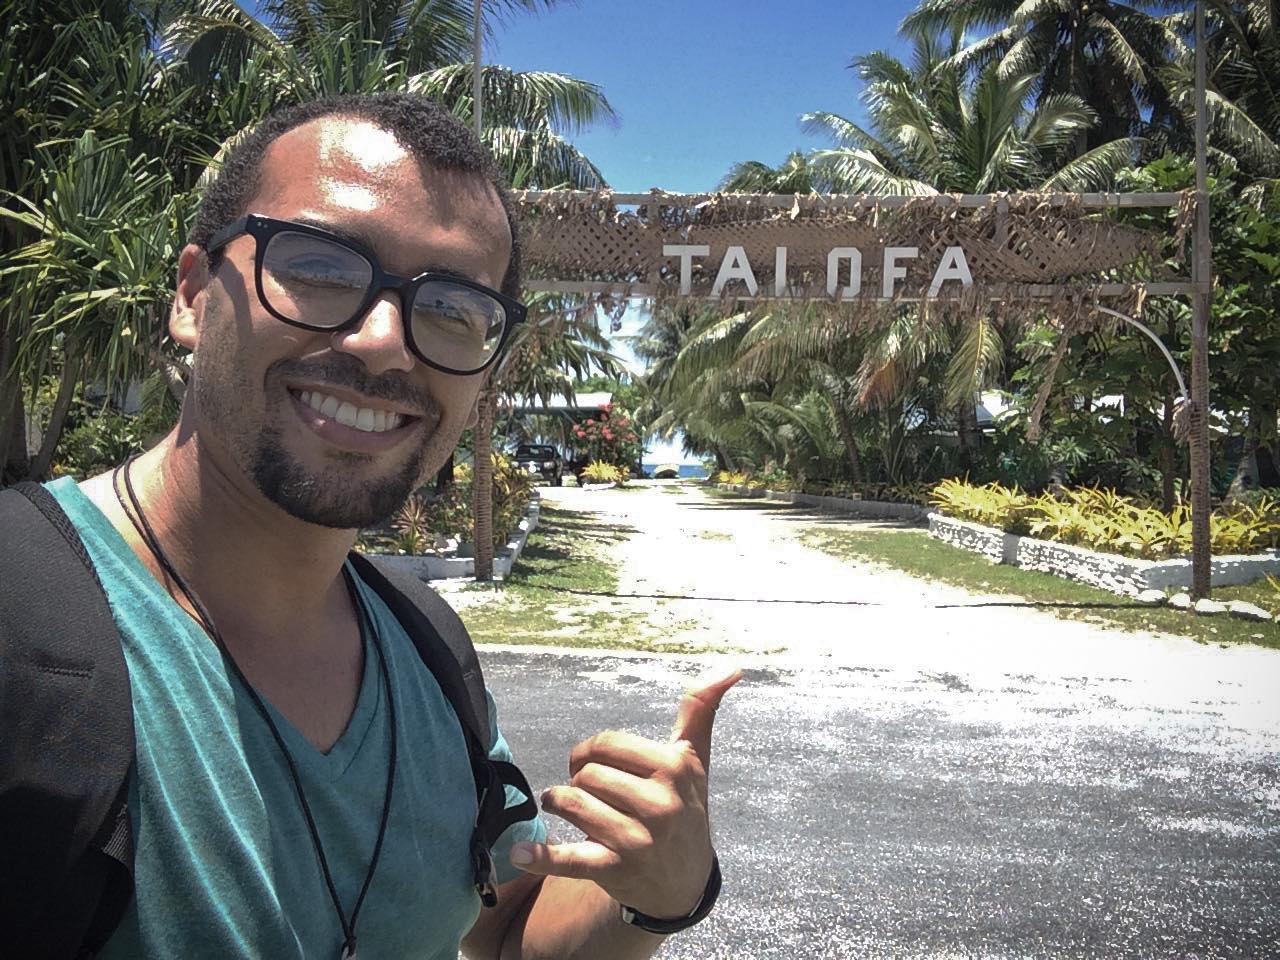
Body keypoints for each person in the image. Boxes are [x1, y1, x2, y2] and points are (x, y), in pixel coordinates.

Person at [9, 92, 740, 958]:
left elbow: (499, 930)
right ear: (193, 294)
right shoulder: (21, 618)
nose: (386, 341)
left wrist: (655, 896)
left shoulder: (425, 647)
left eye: (455, 309)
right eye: (319, 267)